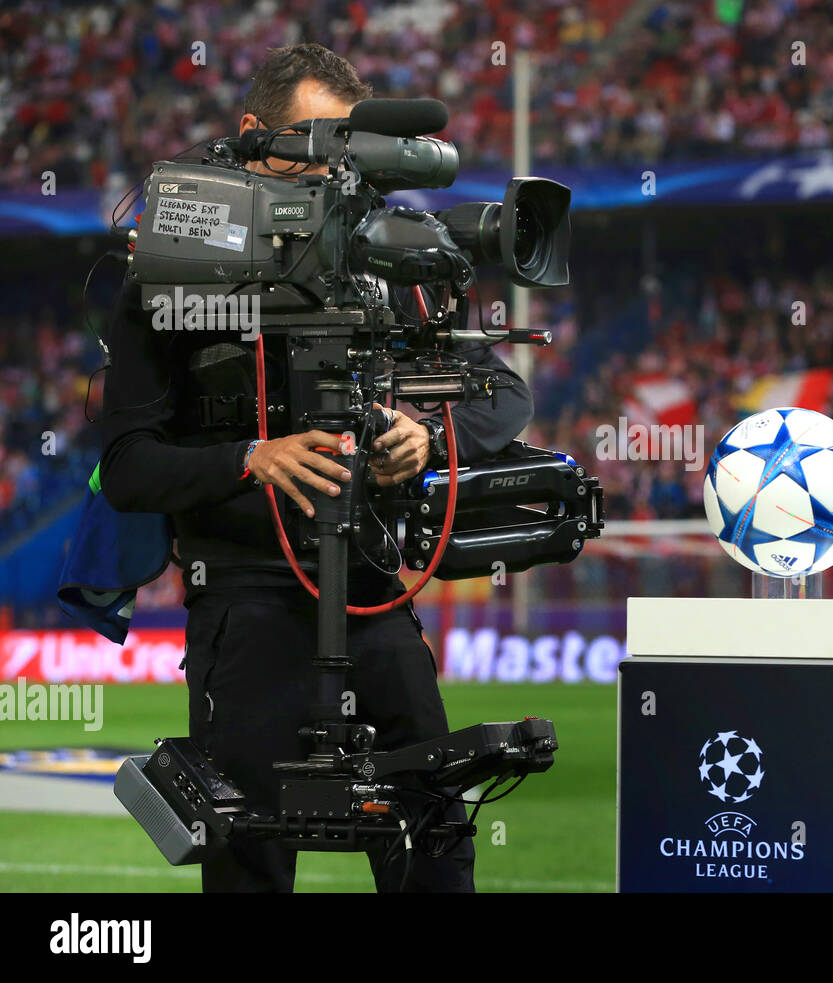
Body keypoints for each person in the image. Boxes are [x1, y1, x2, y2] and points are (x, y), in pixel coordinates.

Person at [99, 43, 533, 892]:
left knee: (435, 840)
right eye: (312, 142)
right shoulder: (165, 270)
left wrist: (425, 434)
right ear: (253, 133)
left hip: (372, 596)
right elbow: (126, 468)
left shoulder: (381, 252)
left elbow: (502, 394)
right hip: (244, 605)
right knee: (247, 863)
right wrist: (249, 458)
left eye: (346, 147)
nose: (331, 170)